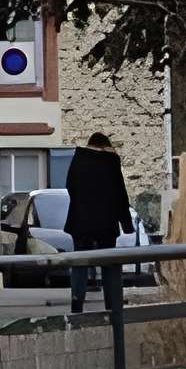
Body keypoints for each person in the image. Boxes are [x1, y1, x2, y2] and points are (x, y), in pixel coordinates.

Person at [63, 133, 134, 318]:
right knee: (109, 266)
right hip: (105, 223)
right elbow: (120, 194)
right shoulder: (110, 161)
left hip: (80, 223)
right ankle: (112, 307)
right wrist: (127, 225)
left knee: (79, 265)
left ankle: (76, 307)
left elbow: (70, 186)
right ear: (105, 146)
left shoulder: (78, 159)